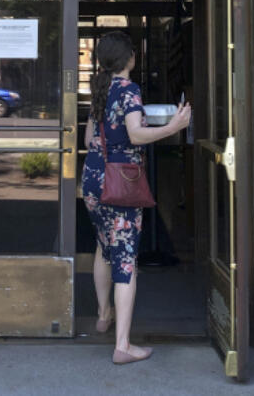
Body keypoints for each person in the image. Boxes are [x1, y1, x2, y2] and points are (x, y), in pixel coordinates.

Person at [82, 30, 192, 365]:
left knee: (104, 246)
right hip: (121, 184)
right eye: (132, 51)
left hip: (93, 179)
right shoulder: (129, 89)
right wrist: (173, 127)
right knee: (126, 260)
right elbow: (135, 133)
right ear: (127, 57)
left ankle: (103, 315)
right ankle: (123, 345)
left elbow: (89, 137)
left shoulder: (100, 88)